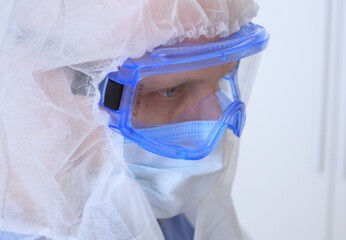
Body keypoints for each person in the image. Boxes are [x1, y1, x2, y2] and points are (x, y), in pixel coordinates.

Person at [0, 0, 269, 239]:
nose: (215, 121)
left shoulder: (166, 220)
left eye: (222, 78)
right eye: (170, 90)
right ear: (37, 85)